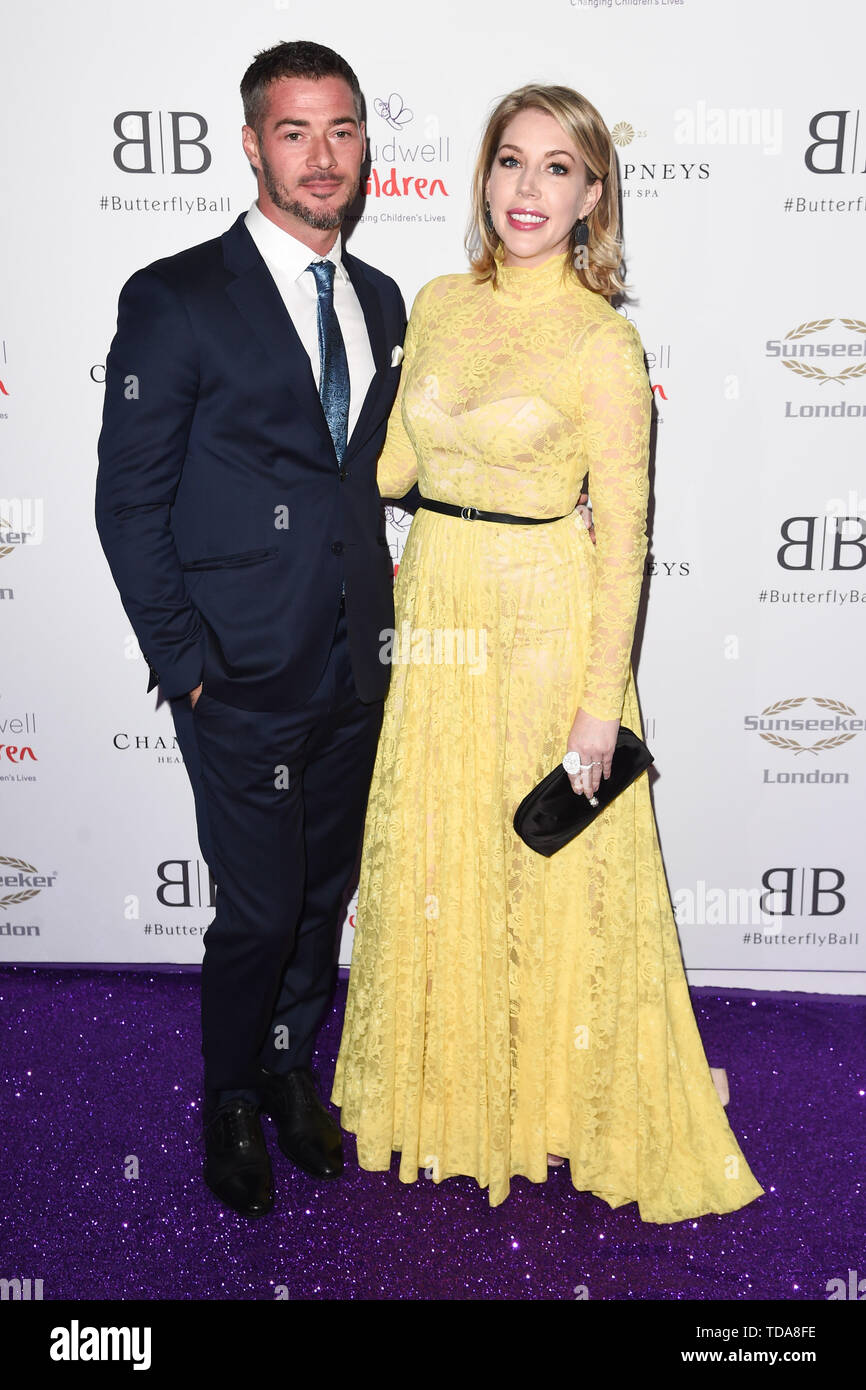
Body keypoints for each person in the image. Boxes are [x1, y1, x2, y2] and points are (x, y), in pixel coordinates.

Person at [332, 84, 765, 1222]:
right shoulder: (432, 300)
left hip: (542, 626)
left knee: (547, 869)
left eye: (557, 170)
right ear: (480, 177)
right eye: (510, 162)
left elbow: (624, 547)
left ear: (591, 197)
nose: (527, 190)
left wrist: (595, 707)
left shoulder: (601, 342)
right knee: (439, 859)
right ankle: (455, 1094)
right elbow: (386, 471)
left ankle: (558, 1101)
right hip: (433, 610)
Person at [95, 41, 407, 1220]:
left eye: (340, 130)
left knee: (322, 898)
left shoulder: (380, 300)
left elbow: (371, 475)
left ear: (364, 142)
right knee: (260, 909)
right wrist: (187, 669)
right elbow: (126, 502)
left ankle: (286, 1070)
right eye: (294, 131)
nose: (320, 157)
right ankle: (227, 1093)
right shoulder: (175, 295)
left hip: (355, 663)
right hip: (236, 675)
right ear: (251, 144)